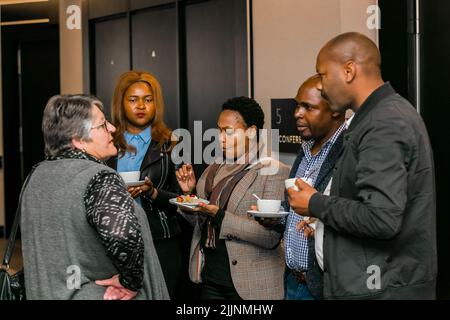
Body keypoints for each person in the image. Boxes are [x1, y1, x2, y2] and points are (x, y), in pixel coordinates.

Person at [288, 32, 437, 299]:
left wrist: (315, 203)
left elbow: (381, 217)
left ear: (348, 70)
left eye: (322, 74)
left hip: (380, 289)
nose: (321, 86)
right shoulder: (374, 117)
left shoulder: (383, 122)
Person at [21, 94, 169, 300]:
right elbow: (123, 236)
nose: (113, 128)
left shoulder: (36, 176)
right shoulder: (99, 177)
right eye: (102, 125)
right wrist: (130, 282)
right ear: (79, 139)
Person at [175, 97, 289, 300]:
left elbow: (270, 237)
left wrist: (219, 216)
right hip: (210, 279)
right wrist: (188, 195)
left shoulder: (273, 171)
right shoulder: (214, 168)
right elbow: (200, 222)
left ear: (251, 132)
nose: (221, 138)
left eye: (228, 131)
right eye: (219, 131)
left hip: (252, 286)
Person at [108, 70, 194, 299]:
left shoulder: (172, 144)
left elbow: (183, 200)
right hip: (115, 241)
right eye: (133, 99)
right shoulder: (107, 145)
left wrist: (153, 193)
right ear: (121, 103)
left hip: (161, 241)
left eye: (148, 100)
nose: (141, 106)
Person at [265, 76, 346, 300]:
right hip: (293, 279)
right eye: (297, 105)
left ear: (335, 111)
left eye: (307, 107)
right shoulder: (306, 147)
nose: (297, 113)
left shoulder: (350, 148)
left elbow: (358, 214)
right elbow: (296, 207)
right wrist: (276, 218)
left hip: (323, 287)